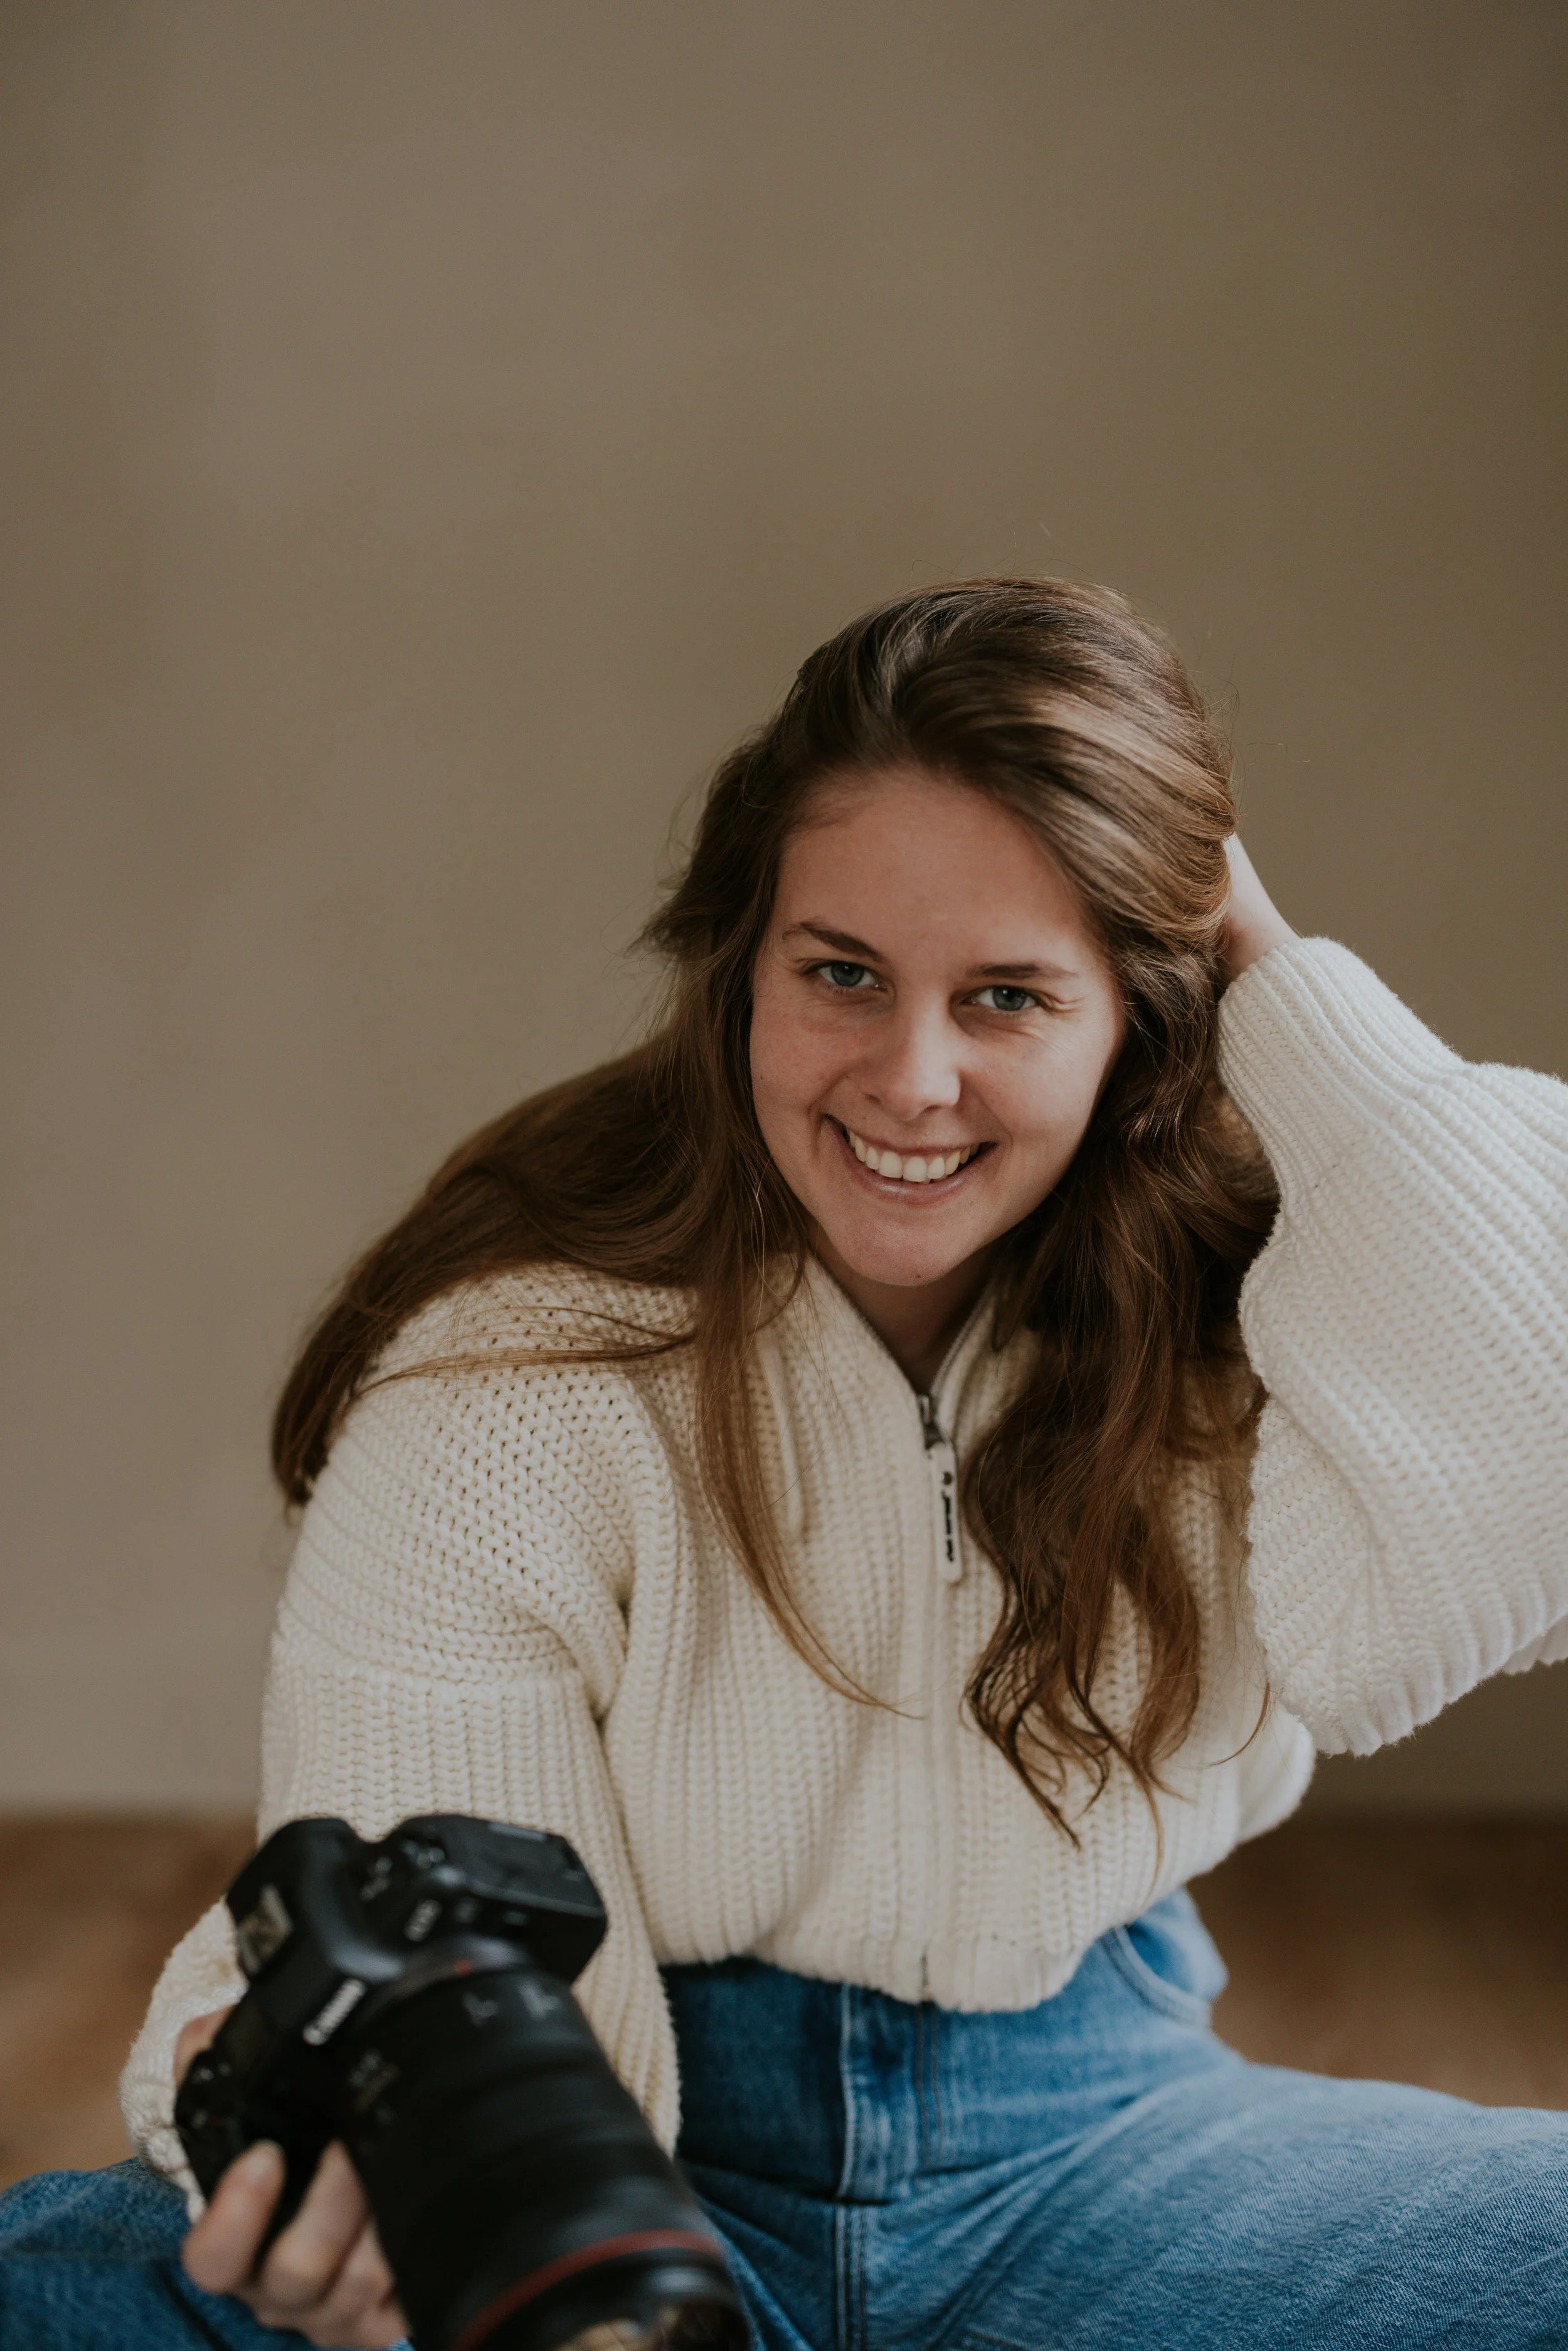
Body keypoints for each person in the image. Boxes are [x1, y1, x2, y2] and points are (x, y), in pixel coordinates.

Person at [3, 577, 1565, 2350]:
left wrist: (1266, 964)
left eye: (1007, 995)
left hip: (1113, 2158)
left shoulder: (1270, 1317)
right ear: (739, 968)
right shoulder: (509, 1372)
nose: (912, 1078)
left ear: (1143, 1014)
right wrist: (449, 2217)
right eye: (841, 975)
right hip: (632, 2135)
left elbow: (1540, 1474)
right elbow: (414, 1886)